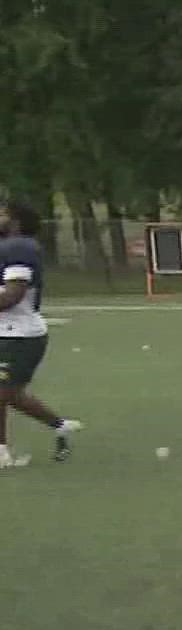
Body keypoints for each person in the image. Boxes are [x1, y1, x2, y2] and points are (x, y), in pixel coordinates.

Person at [0, 201, 81, 470]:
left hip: (18, 334)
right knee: (11, 393)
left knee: (3, 391)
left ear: (15, 222)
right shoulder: (9, 246)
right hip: (8, 331)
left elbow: (13, 295)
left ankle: (1, 453)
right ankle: (60, 425)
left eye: (3, 214)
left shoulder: (19, 246)